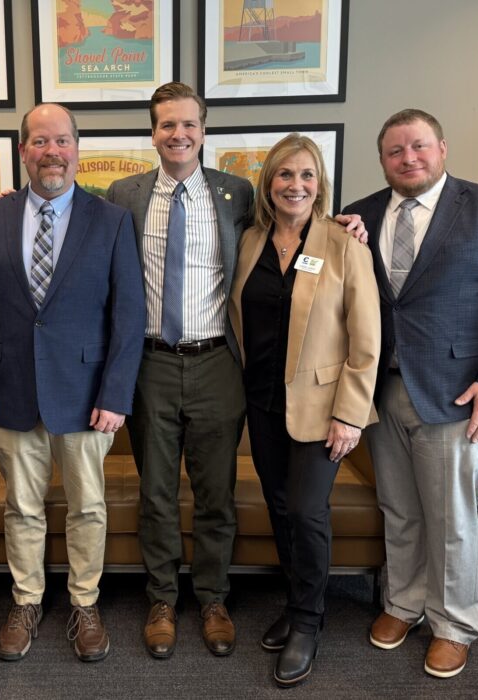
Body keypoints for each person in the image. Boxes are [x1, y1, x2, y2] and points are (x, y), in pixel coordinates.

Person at [106, 82, 365, 659]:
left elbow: (293, 222)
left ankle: (214, 597)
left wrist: (350, 225)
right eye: (167, 125)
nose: (179, 134)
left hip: (219, 363)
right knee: (155, 491)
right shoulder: (123, 195)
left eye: (189, 124)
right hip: (148, 362)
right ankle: (161, 600)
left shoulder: (236, 193)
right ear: (153, 132)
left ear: (204, 130)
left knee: (216, 493)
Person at [342, 109, 478, 678]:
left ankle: (454, 625)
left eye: (419, 147)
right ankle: (403, 604)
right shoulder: (360, 215)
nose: (409, 159)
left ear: (442, 148)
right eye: (395, 151)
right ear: (382, 160)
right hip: (383, 393)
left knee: (452, 518)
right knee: (401, 511)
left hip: (458, 395)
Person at [0, 104, 145, 663]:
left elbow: (129, 315)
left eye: (62, 140)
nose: (52, 151)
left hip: (88, 395)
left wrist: (117, 395)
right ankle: (26, 600)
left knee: (88, 506)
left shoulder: (111, 219)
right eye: (40, 141)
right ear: (23, 151)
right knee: (22, 507)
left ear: (77, 148)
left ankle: (85, 602)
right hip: (13, 388)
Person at [228, 134, 380, 685]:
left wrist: (350, 415)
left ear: (321, 184)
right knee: (279, 505)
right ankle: (296, 603)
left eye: (307, 175)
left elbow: (366, 341)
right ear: (269, 183)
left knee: (308, 511)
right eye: (285, 175)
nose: (296, 185)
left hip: (324, 409)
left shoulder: (345, 244)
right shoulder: (250, 241)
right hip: (264, 403)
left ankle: (310, 621)